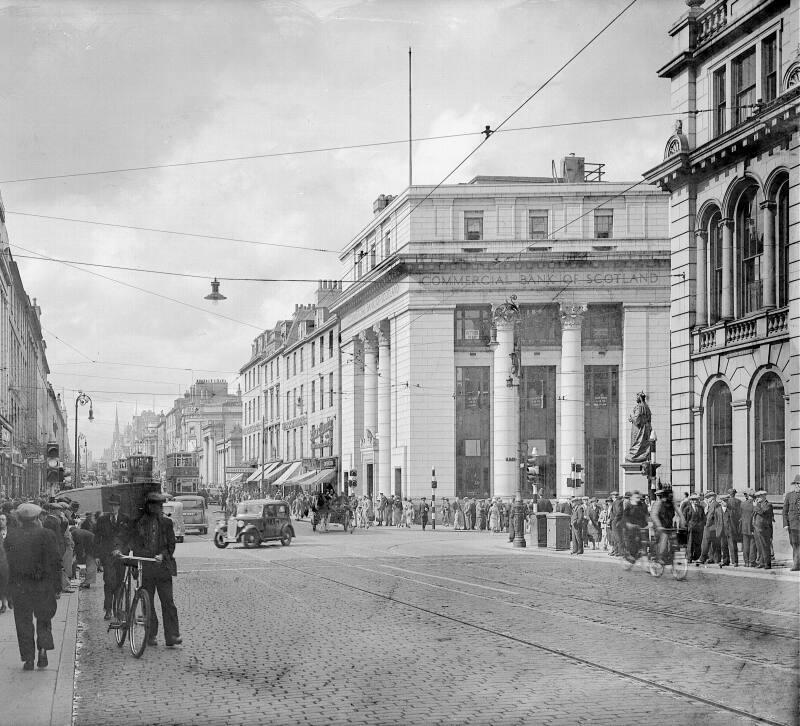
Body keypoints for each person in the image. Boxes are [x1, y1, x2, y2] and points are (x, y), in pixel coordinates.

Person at [4, 503, 60, 670]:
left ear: (19, 519)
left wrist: (8, 590)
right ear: (37, 518)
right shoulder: (47, 534)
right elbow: (56, 561)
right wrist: (57, 585)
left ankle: (28, 658)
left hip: (21, 587)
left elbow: (9, 563)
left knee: (23, 622)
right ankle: (42, 650)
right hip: (42, 586)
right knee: (43, 619)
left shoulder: (12, 536)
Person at [128, 492, 181, 647]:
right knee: (147, 603)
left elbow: (171, 545)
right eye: (153, 505)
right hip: (146, 568)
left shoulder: (166, 523)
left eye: (159, 505)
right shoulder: (139, 523)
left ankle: (172, 635)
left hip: (162, 568)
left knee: (168, 602)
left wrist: (163, 555)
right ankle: (151, 634)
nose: (156, 508)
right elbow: (134, 544)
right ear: (148, 506)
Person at [93, 495, 131, 620]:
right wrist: (97, 556)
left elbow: (129, 539)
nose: (114, 507)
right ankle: (108, 609)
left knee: (120, 583)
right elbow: (97, 538)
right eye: (112, 505)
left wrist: (121, 550)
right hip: (107, 556)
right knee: (109, 582)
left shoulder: (125, 519)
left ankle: (118, 609)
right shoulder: (102, 520)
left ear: (119, 506)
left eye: (116, 505)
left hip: (121, 556)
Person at [620, 491, 649, 562]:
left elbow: (646, 515)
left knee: (644, 541)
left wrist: (649, 523)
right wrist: (628, 524)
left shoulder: (642, 506)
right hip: (629, 527)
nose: (638, 499)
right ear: (632, 498)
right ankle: (629, 554)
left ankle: (642, 554)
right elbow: (625, 516)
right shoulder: (629, 505)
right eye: (636, 497)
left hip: (640, 526)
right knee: (632, 541)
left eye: (639, 497)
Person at [650, 487, 675, 563]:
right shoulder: (657, 504)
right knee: (662, 541)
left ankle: (666, 556)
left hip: (668, 526)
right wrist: (659, 525)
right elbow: (654, 515)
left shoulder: (670, 504)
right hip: (659, 527)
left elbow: (672, 515)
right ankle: (659, 557)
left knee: (670, 542)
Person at [698, 492, 722, 566]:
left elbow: (710, 516)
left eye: (708, 497)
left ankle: (702, 558)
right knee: (715, 544)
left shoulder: (713, 505)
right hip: (715, 527)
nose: (707, 499)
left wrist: (706, 525)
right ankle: (715, 559)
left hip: (710, 527)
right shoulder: (717, 504)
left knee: (705, 543)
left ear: (712, 497)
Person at [752, 490, 774, 570]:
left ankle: (767, 564)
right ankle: (761, 562)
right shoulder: (759, 504)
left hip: (764, 529)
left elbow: (762, 512)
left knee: (765, 546)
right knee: (759, 547)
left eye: (759, 496)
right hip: (757, 528)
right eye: (757, 497)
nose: (757, 498)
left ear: (764, 496)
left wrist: (756, 506)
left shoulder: (768, 505)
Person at [783, 474, 800, 571]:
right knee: (794, 544)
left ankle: (797, 564)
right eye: (797, 484)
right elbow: (784, 511)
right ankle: (797, 564)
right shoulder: (789, 495)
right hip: (793, 525)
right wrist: (785, 524)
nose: (798, 486)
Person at [685, 493, 705, 564]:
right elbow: (685, 519)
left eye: (696, 500)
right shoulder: (687, 508)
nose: (695, 501)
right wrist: (687, 527)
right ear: (691, 501)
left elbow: (703, 518)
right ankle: (689, 558)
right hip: (691, 528)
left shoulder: (701, 508)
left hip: (699, 528)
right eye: (693, 500)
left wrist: (702, 525)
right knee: (690, 543)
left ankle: (696, 557)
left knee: (698, 543)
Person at [740, 490, 756, 567]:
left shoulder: (742, 504)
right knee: (752, 545)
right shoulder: (755, 505)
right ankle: (752, 561)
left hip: (744, 527)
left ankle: (746, 562)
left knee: (745, 545)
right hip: (752, 527)